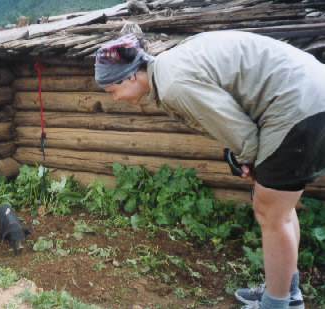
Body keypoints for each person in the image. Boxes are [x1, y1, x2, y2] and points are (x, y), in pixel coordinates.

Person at [94, 31, 325, 309]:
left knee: (270, 211)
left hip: (298, 105)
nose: (115, 99)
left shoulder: (173, 85)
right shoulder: (171, 66)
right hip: (309, 93)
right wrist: (244, 157)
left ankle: (276, 304)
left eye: (112, 90)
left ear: (131, 75)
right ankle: (286, 293)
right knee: (279, 209)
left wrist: (249, 161)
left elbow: (239, 132)